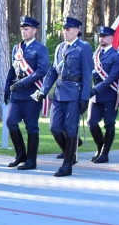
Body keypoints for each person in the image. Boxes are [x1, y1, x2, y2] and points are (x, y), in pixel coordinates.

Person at [37, 17, 93, 177]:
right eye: (64, 29)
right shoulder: (60, 48)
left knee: (70, 129)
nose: (65, 32)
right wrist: (44, 90)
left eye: (68, 29)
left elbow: (87, 75)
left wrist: (84, 98)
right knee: (54, 128)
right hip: (60, 93)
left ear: (76, 31)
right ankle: (71, 153)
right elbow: (53, 71)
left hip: (75, 93)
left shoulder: (83, 48)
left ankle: (67, 164)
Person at [4, 16, 49, 170]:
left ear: (34, 30)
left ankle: (31, 160)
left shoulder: (40, 48)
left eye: (27, 29)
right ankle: (20, 154)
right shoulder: (17, 48)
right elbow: (13, 69)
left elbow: (42, 70)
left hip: (33, 92)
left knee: (31, 126)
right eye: (22, 29)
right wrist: (6, 88)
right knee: (10, 121)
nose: (24, 31)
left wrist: (23, 82)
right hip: (17, 93)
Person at [88, 26, 119, 163]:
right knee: (92, 123)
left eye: (104, 36)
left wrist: (95, 90)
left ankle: (105, 153)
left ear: (111, 38)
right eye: (100, 36)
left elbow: (112, 78)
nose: (101, 38)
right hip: (95, 96)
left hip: (109, 94)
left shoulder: (117, 55)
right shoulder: (95, 55)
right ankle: (100, 148)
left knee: (109, 124)